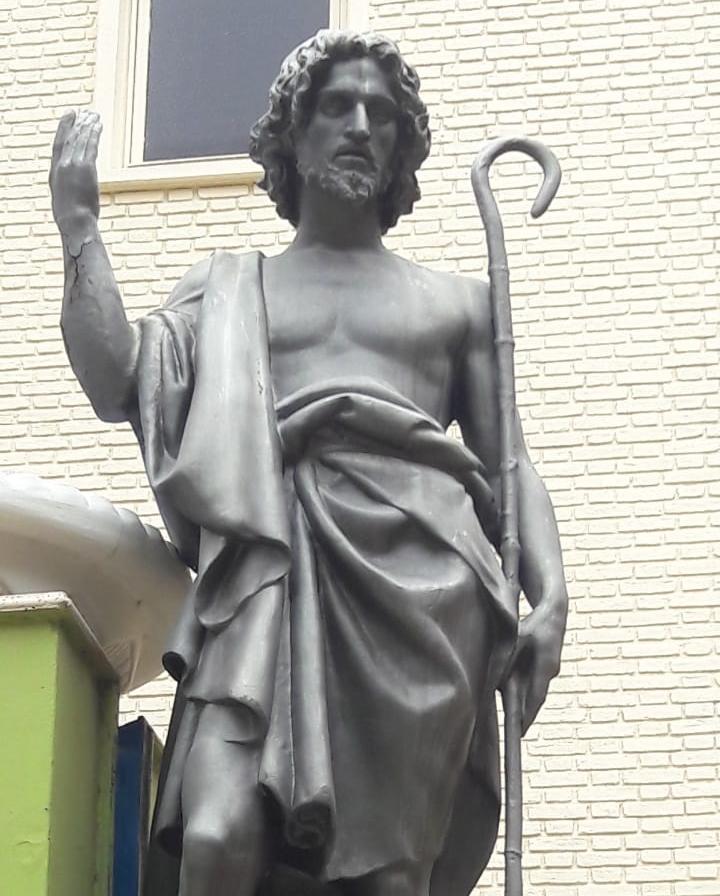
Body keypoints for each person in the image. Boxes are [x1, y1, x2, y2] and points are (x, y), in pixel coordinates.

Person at [49, 30, 567, 896]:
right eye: (336, 106)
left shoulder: (459, 304)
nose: (360, 125)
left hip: (424, 592)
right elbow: (119, 380)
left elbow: (508, 463)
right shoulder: (224, 288)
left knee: (385, 878)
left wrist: (551, 597)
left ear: (402, 144)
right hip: (263, 570)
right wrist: (80, 229)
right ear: (293, 133)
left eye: (381, 113)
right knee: (217, 831)